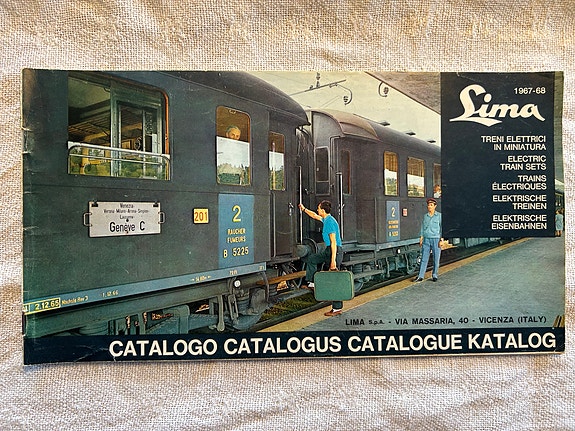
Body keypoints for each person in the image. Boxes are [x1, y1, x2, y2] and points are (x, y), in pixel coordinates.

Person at [298, 200, 344, 316]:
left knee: (334, 280)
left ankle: (337, 308)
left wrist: (333, 261)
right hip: (329, 250)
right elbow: (314, 215)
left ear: (323, 210)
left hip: (335, 251)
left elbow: (333, 242)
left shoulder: (330, 222)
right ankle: (312, 283)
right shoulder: (326, 219)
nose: (317, 210)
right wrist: (304, 209)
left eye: (318, 208)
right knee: (312, 259)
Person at [414, 198, 443, 282]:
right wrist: (421, 237)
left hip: (436, 239)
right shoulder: (425, 216)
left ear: (435, 206)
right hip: (426, 239)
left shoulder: (439, 216)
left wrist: (441, 240)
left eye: (431, 205)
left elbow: (442, 228)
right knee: (424, 258)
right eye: (428, 205)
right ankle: (420, 276)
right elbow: (422, 227)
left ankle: (434, 275)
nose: (429, 207)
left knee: (436, 259)